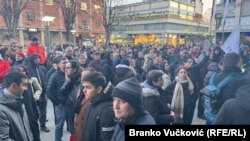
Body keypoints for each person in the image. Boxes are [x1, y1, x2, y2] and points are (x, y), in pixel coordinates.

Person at [81, 71, 115, 141]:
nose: (84, 90)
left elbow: (107, 138)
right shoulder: (92, 101)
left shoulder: (107, 110)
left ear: (99, 89)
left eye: (88, 87)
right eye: (84, 87)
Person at [0, 69, 33, 141]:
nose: (26, 88)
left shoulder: (19, 100)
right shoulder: (2, 111)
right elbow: (4, 139)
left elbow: (27, 128)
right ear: (14, 86)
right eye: (24, 85)